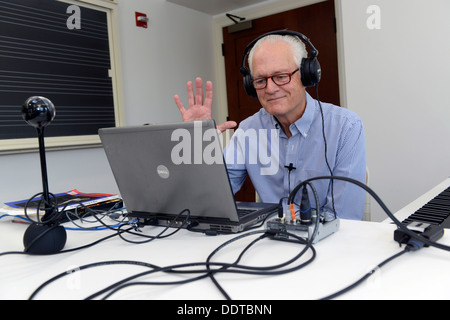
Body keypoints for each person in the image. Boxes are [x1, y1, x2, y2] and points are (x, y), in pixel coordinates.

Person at [174, 32, 366, 220]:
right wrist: (197, 146)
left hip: (324, 245)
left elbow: (344, 219)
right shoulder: (248, 130)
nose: (270, 89)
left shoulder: (346, 127)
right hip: (267, 242)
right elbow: (210, 198)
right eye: (260, 80)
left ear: (307, 75)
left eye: (281, 76)